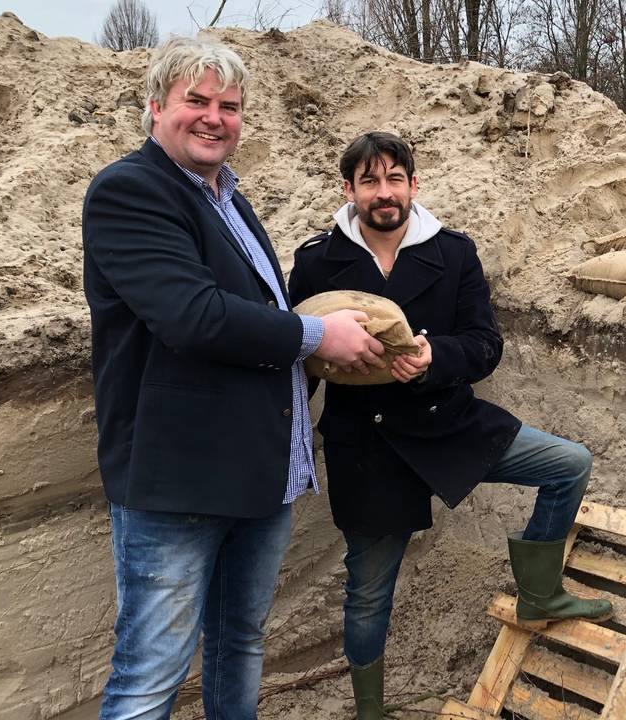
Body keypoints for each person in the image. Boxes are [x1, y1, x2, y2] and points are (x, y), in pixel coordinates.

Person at [82, 37, 385, 719]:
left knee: (238, 644)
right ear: (156, 106)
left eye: (230, 105)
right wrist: (318, 334)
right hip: (179, 479)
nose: (214, 117)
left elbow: (257, 312)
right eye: (197, 101)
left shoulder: (228, 197)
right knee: (150, 674)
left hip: (256, 472)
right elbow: (193, 317)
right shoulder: (129, 191)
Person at [288, 132, 612, 719]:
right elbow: (299, 360)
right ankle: (370, 712)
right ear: (349, 190)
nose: (383, 193)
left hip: (448, 421)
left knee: (568, 464)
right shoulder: (316, 261)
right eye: (369, 181)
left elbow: (485, 344)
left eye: (394, 179)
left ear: (414, 184)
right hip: (366, 444)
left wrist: (437, 359)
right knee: (367, 594)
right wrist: (281, 440)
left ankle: (539, 595)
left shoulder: (454, 253)